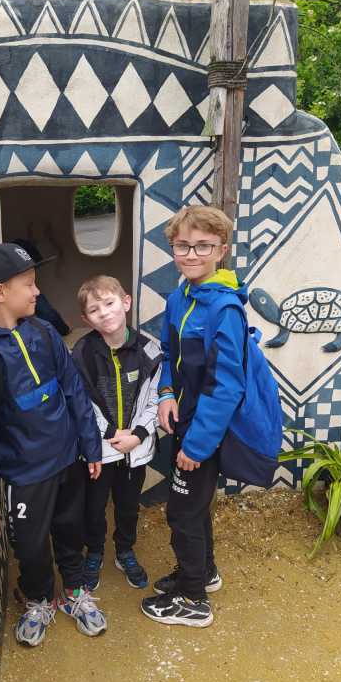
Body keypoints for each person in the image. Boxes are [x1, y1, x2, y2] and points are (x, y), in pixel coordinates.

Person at [0, 242, 106, 647]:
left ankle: (74, 591)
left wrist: (90, 444)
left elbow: (74, 390)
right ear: (0, 292)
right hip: (24, 473)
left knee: (71, 529)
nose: (37, 291)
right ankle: (39, 598)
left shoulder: (44, 331)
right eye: (28, 284)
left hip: (67, 458)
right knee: (30, 544)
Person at [140, 206, 247, 629]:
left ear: (221, 250)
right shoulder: (178, 298)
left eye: (203, 246)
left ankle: (192, 599)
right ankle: (203, 572)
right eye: (182, 245)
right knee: (194, 507)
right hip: (183, 419)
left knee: (182, 512)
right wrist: (166, 393)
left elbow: (227, 387)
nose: (191, 254)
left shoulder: (224, 309)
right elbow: (168, 354)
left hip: (206, 431)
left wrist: (198, 446)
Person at [72, 276, 161, 591]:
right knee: (94, 507)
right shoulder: (82, 353)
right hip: (100, 449)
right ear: (86, 319)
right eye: (94, 310)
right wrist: (111, 433)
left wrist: (138, 434)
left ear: (126, 302)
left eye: (109, 303)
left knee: (128, 505)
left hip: (135, 447)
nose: (104, 313)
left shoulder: (150, 349)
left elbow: (156, 398)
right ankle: (94, 552)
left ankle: (125, 551)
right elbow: (82, 402)